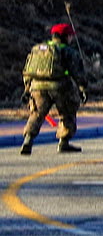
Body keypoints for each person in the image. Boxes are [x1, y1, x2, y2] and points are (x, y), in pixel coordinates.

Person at [20, 23, 85, 155]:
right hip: (60, 87)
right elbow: (77, 73)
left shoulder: (38, 49)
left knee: (36, 114)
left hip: (37, 87)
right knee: (67, 112)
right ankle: (63, 142)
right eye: (70, 36)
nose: (72, 39)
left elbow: (28, 71)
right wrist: (83, 88)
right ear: (65, 37)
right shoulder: (68, 51)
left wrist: (27, 90)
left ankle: (28, 140)